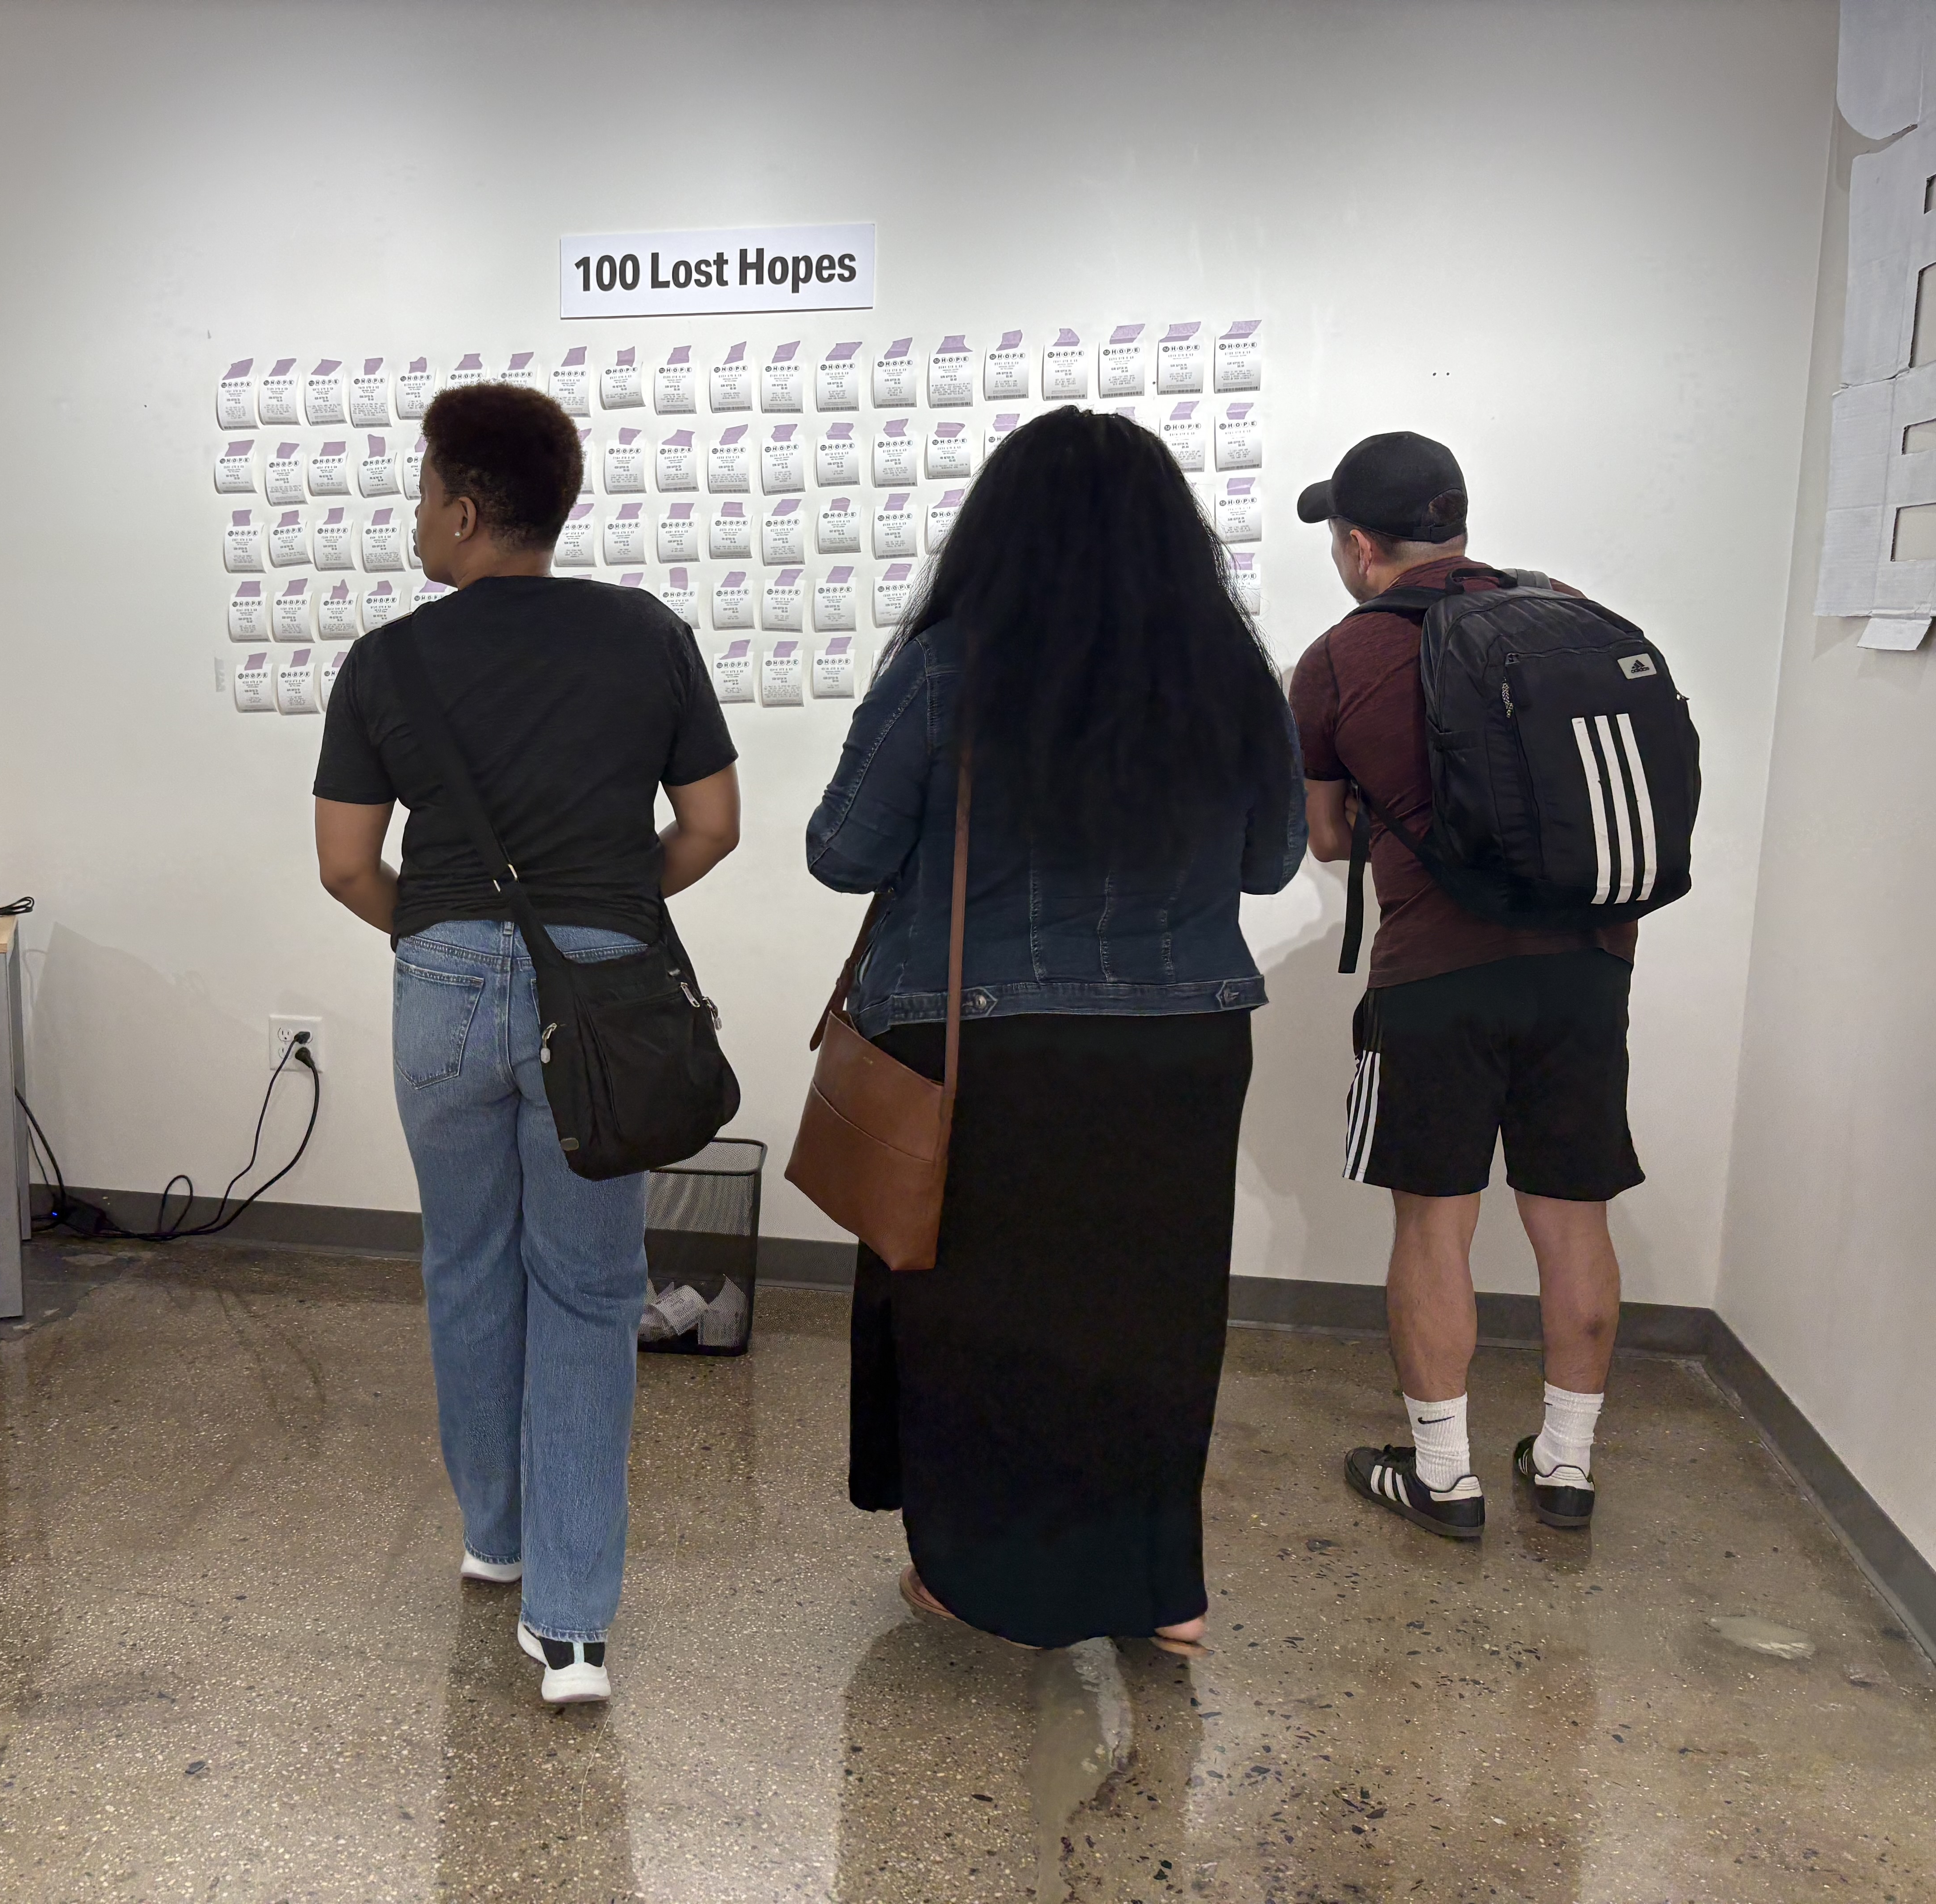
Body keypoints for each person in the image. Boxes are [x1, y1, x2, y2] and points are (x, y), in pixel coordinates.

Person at [806, 406, 1304, 1654]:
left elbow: (839, 853)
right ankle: (1162, 1588)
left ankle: (983, 1577)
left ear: (997, 530)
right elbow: (1273, 856)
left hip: (985, 1053)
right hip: (1182, 1050)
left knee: (978, 1317)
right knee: (1156, 1312)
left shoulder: (943, 669)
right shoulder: (1227, 672)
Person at [312, 381, 741, 1704]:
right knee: (592, 1286)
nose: (415, 518)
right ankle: (571, 1626)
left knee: (467, 1263)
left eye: (421, 491)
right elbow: (713, 826)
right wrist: (592, 920)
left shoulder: (386, 660)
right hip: (604, 985)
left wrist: (451, 932)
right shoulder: (648, 635)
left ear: (463, 505)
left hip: (438, 982)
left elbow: (343, 865)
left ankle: (494, 1538)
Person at [1288, 432, 1638, 1541]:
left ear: (1358, 543)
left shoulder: (1340, 658)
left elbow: (1329, 841)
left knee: (1435, 1223)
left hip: (1437, 976)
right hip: (1588, 966)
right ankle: (1568, 1466)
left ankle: (1445, 1475)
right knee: (1571, 1214)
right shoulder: (1567, 612)